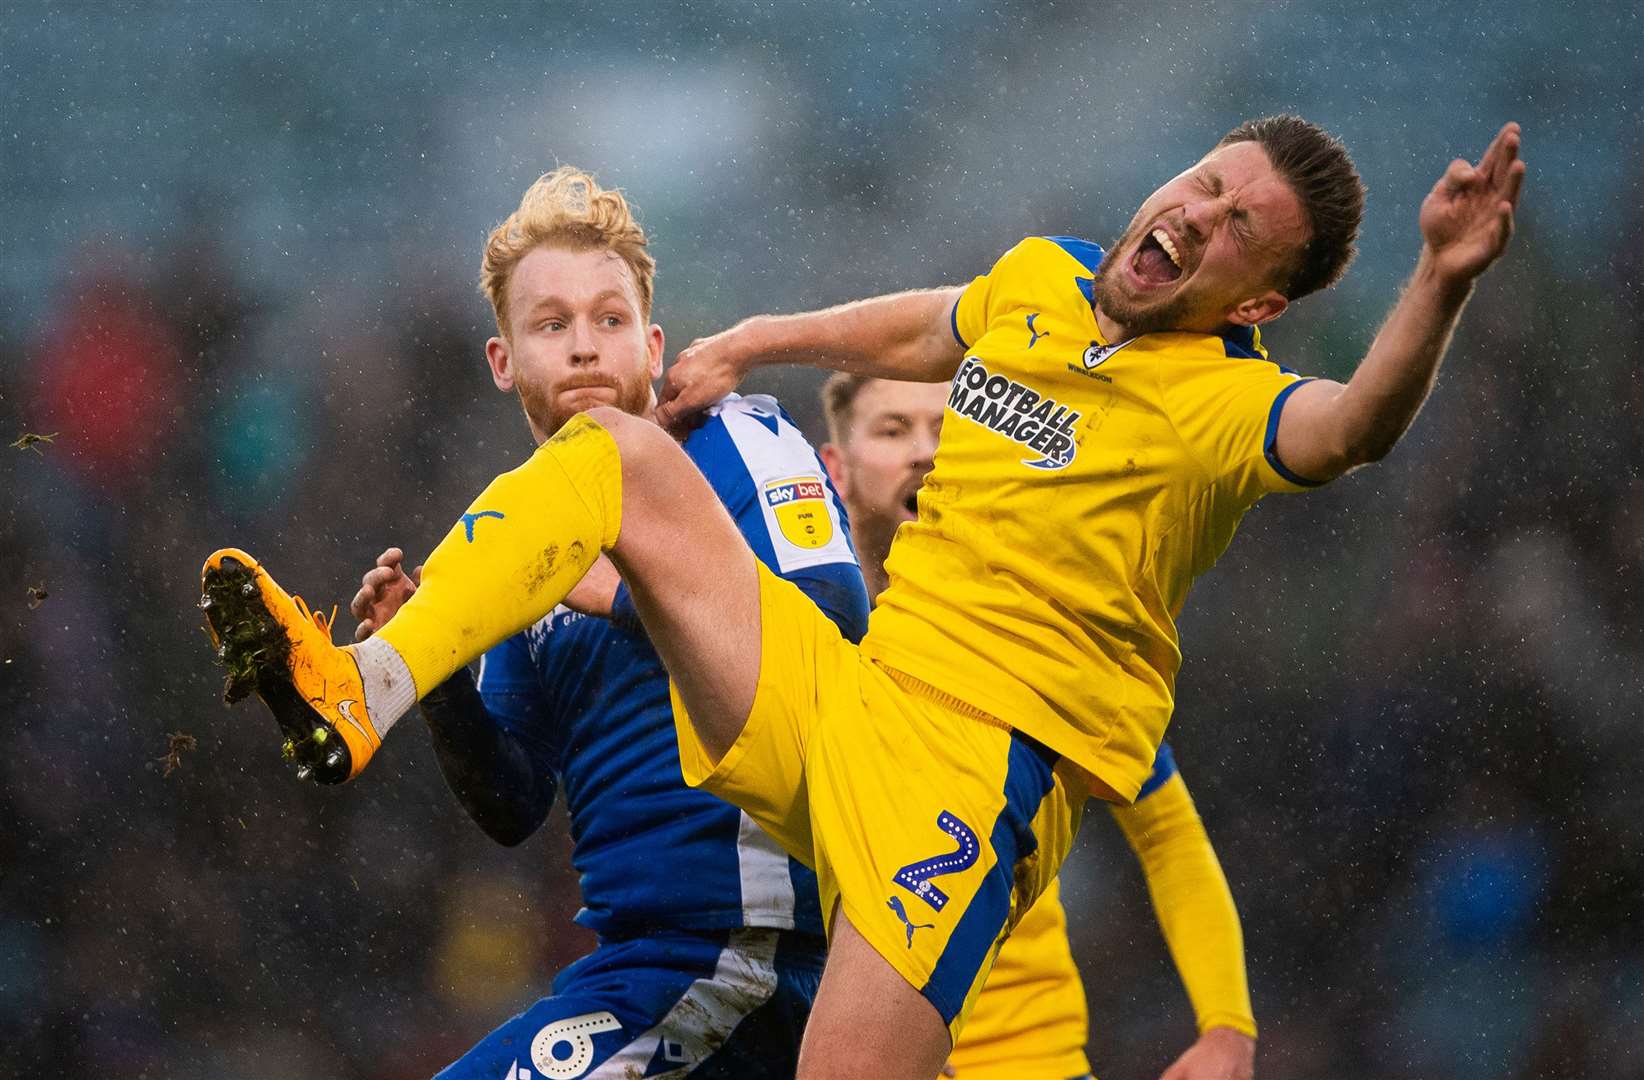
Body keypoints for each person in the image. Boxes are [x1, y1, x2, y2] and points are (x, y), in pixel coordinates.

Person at [200, 116, 1524, 1077]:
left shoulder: (1231, 406)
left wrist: (1441, 281)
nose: (1200, 215)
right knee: (613, 454)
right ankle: (362, 685)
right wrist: (758, 338)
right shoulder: (1048, 282)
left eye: (1242, 228)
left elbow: (1355, 428)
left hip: (968, 774)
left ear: (1263, 296)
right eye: (1208, 182)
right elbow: (937, 321)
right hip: (858, 705)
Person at [206, 167, 870, 1079]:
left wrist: (628, 596)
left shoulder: (737, 438)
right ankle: (389, 680)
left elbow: (832, 619)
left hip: (753, 952)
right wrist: (443, 683)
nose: (587, 349)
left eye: (610, 320)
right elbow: (513, 803)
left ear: (653, 343)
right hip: (643, 963)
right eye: (552, 325)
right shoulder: (515, 543)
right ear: (503, 359)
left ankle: (365, 687)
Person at [818, 373, 1256, 1080]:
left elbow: (1169, 833)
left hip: (1026, 1061)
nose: (926, 453)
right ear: (834, 468)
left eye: (948, 428)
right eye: (892, 430)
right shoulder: (801, 639)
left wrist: (1227, 1028)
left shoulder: (1044, 638)